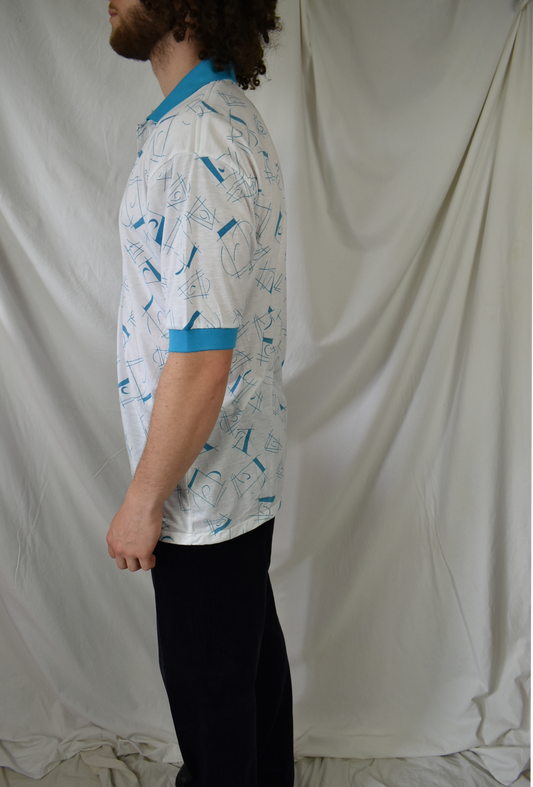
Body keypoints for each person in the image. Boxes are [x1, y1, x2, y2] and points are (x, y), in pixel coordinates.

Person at [104, 1, 293, 785]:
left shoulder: (197, 142)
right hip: (230, 475)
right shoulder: (211, 120)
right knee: (247, 683)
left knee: (214, 716)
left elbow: (202, 357)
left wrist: (144, 499)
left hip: (201, 486)